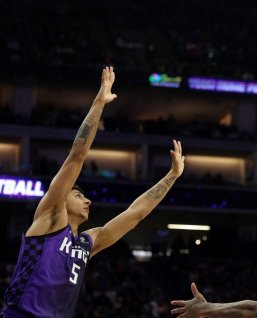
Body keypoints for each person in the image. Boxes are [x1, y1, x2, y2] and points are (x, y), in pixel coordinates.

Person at [1, 67, 186, 318]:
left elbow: (136, 214)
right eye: (78, 195)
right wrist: (99, 103)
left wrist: (172, 176)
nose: (87, 199)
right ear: (61, 198)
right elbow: (77, 156)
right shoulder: (50, 218)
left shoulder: (88, 242)